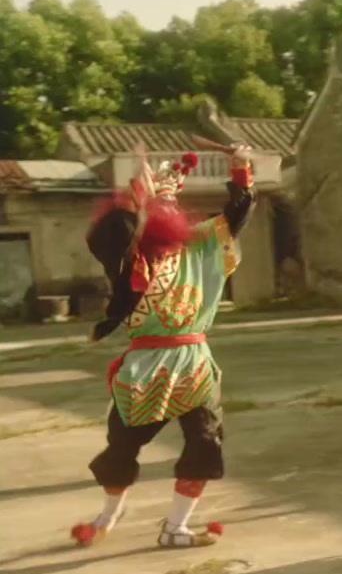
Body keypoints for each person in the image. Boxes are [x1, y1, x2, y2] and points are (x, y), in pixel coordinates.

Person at [72, 145, 255, 549]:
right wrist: (138, 195)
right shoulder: (130, 252)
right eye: (158, 196)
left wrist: (240, 168)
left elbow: (236, 216)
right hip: (145, 362)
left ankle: (176, 527)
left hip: (194, 360)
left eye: (172, 197)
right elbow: (111, 233)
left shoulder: (201, 241)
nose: (167, 202)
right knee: (123, 443)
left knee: (205, 439)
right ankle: (108, 513)